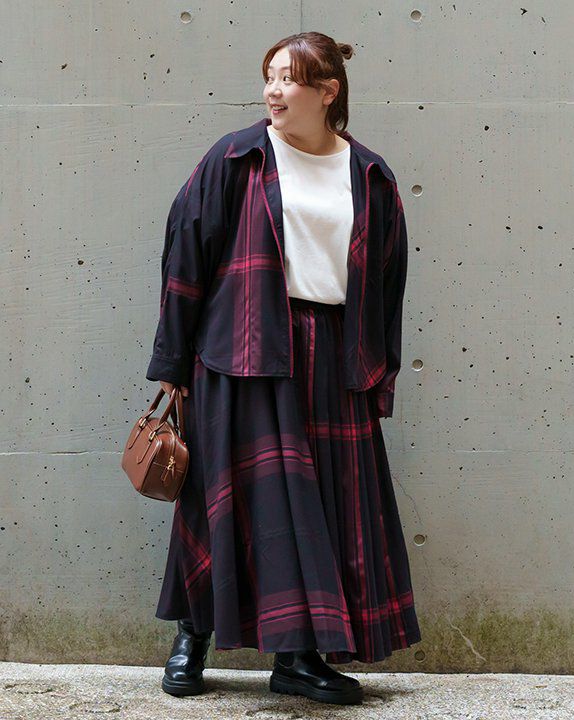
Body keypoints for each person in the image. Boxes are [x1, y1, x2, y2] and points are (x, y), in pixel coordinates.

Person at [146, 31, 422, 706]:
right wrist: (173, 361)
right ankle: (192, 636)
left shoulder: (370, 176)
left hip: (333, 354)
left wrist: (377, 373)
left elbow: (388, 283)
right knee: (221, 497)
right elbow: (185, 254)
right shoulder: (235, 158)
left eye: (288, 79)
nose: (273, 90)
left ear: (327, 91)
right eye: (269, 76)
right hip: (243, 348)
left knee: (321, 506)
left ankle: (298, 658)